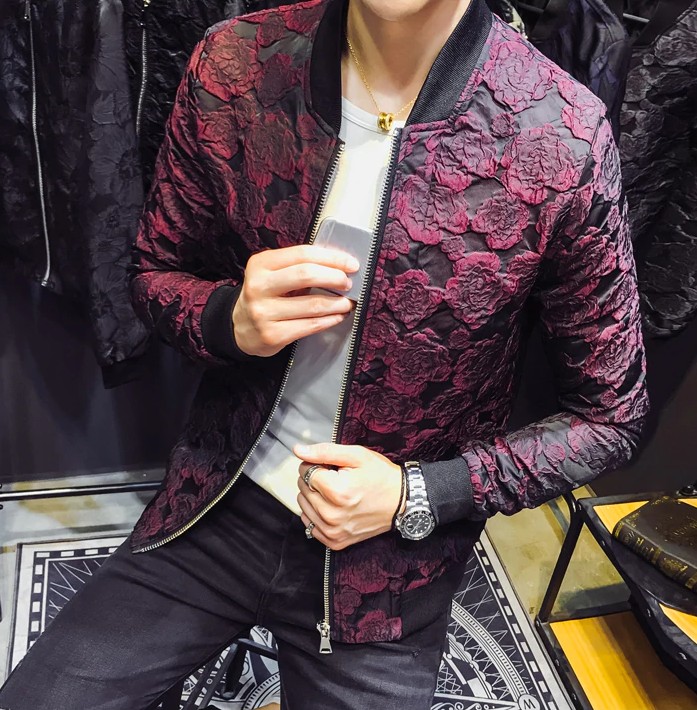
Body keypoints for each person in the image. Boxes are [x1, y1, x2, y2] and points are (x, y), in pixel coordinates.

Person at [0, 0, 649, 708]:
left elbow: (609, 416)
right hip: (216, 504)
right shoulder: (237, 62)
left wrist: (420, 493)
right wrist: (228, 318)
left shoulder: (562, 134)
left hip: (390, 568)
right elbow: (155, 272)